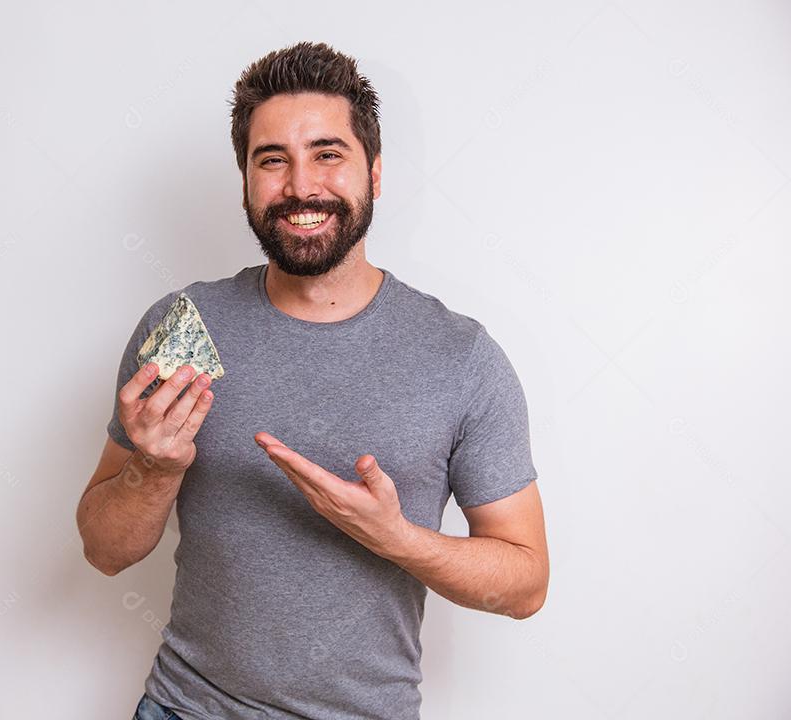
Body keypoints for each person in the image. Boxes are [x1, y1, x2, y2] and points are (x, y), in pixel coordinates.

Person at [77, 41, 549, 720]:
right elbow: (103, 551)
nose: (302, 186)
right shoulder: (185, 330)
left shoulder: (461, 357)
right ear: (245, 179)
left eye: (328, 154)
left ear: (374, 173)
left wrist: (396, 537)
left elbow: (526, 583)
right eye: (273, 160)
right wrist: (153, 470)